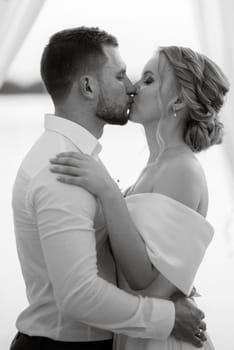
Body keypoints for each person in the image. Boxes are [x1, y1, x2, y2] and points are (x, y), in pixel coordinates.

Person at [10, 27, 206, 350]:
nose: (130, 88)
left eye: (143, 79)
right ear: (88, 86)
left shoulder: (82, 159)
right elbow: (79, 295)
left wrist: (172, 277)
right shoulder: (62, 168)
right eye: (121, 76)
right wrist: (168, 317)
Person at [49, 45, 229, 350]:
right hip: (138, 331)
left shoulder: (182, 170)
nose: (132, 88)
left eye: (148, 80)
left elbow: (146, 284)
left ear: (179, 100)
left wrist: (107, 190)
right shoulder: (156, 167)